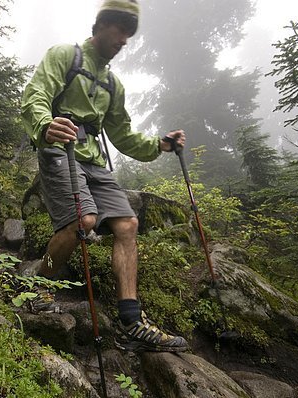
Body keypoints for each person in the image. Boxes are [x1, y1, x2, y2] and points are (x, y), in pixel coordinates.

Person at [20, 0, 188, 353]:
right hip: (58, 148)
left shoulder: (113, 84)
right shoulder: (66, 56)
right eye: (120, 29)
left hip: (94, 160)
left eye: (130, 33)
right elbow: (35, 95)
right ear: (100, 26)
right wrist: (44, 124)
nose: (125, 39)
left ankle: (131, 320)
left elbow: (123, 134)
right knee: (82, 221)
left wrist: (160, 145)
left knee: (127, 224)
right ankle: (39, 283)